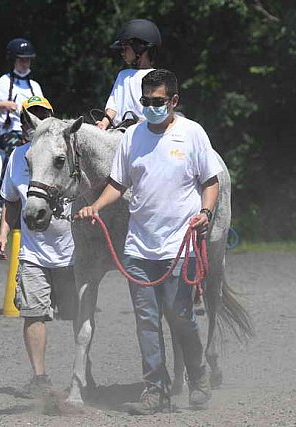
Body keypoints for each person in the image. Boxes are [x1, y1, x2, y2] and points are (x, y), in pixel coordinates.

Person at [76, 69, 221, 414]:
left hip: (178, 247)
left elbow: (211, 181)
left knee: (181, 316)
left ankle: (198, 374)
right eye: (146, 102)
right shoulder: (133, 137)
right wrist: (94, 206)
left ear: (173, 101)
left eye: (158, 102)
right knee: (146, 320)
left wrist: (205, 211)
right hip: (139, 247)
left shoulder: (192, 134)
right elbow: (118, 183)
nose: (151, 107)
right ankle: (155, 389)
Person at [0, 96, 77, 397]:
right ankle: (40, 378)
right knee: (33, 312)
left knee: (79, 314)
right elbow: (11, 201)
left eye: (42, 115)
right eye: (30, 118)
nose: (35, 123)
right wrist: (3, 233)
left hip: (71, 250)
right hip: (33, 251)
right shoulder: (17, 157)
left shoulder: (68, 152)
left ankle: (82, 373)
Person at [0, 37, 44, 219]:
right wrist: (4, 104)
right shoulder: (2, 83)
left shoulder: (35, 86)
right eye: (21, 59)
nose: (25, 63)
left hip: (33, 132)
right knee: (15, 152)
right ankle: (2, 202)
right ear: (14, 60)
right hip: (11, 132)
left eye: (28, 59)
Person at [96, 19, 161, 130]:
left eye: (126, 48)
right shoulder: (123, 75)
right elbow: (113, 105)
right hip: (120, 130)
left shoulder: (156, 77)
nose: (122, 53)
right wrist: (104, 122)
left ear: (140, 48)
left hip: (144, 129)